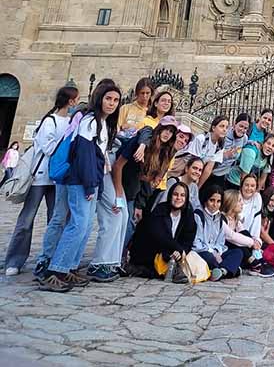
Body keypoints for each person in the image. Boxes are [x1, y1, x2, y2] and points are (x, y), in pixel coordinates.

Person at [39, 80, 122, 292]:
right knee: (77, 224)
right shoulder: (91, 121)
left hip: (89, 181)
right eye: (108, 99)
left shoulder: (103, 124)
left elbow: (100, 158)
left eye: (116, 100)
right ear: (99, 98)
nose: (112, 104)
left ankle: (69, 267)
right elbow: (84, 156)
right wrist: (89, 186)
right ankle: (55, 270)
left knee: (84, 227)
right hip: (79, 180)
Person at [5, 84, 79, 276]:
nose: (77, 103)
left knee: (56, 220)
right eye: (75, 100)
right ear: (70, 101)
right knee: (26, 220)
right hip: (40, 177)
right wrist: (68, 148)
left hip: (58, 179)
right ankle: (14, 260)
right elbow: (48, 148)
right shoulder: (50, 122)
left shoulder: (72, 121)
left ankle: (50, 257)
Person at [111, 117, 177, 258]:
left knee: (129, 224)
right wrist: (142, 146)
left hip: (134, 192)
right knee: (121, 223)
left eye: (171, 132)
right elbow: (146, 130)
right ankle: (115, 257)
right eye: (165, 129)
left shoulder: (165, 153)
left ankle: (119, 257)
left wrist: (140, 205)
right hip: (120, 183)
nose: (167, 133)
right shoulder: (146, 138)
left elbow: (150, 184)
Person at [128, 181, 196, 282]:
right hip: (151, 249)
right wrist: (177, 250)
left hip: (173, 250)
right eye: (175, 194)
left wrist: (181, 251)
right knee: (161, 260)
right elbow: (160, 236)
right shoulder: (160, 210)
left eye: (182, 195)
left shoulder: (188, 213)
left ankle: (175, 270)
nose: (178, 198)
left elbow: (189, 237)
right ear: (170, 195)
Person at [193, 184, 241, 280]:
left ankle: (222, 271)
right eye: (212, 200)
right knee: (209, 257)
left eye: (218, 201)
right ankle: (228, 269)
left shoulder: (220, 218)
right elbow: (196, 243)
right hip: (202, 252)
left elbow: (221, 243)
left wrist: (217, 251)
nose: (215, 205)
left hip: (215, 253)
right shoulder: (198, 215)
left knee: (238, 252)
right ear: (206, 200)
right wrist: (212, 252)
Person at [186, 115, 229, 187]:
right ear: (213, 128)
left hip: (198, 172)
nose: (224, 129)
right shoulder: (202, 138)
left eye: (226, 127)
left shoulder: (220, 146)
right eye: (222, 126)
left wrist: (198, 187)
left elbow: (209, 168)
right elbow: (192, 161)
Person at [212, 113, 250, 187]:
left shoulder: (244, 138)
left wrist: (253, 142)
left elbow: (242, 146)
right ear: (235, 124)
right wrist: (224, 155)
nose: (242, 130)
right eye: (241, 126)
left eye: (245, 128)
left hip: (223, 175)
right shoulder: (224, 134)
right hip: (211, 170)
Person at [239, 173, 264, 241]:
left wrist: (255, 240)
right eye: (246, 185)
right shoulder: (236, 197)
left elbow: (257, 221)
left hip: (249, 239)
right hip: (237, 237)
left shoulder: (257, 197)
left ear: (256, 188)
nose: (249, 188)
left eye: (252, 186)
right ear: (241, 186)